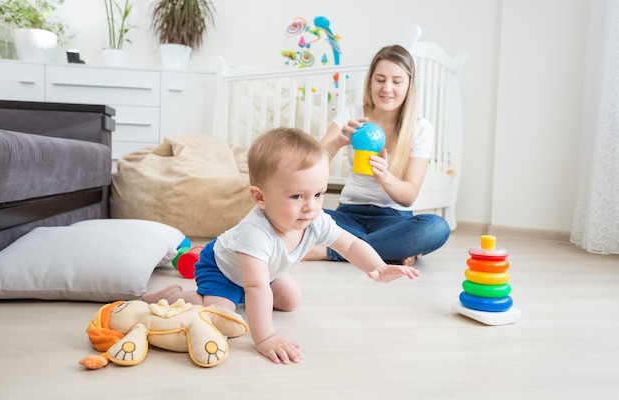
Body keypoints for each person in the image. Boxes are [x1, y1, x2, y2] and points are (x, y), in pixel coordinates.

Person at [142, 127, 420, 365]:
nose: (311, 206)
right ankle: (175, 294)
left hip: (263, 271)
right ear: (260, 197)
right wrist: (266, 338)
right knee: (221, 317)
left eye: (319, 194)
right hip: (223, 269)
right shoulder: (255, 233)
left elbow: (349, 244)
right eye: (297, 196)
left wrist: (378, 266)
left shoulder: (314, 218)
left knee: (289, 301)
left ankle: (239, 297)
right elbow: (256, 287)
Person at [305, 44, 450, 266]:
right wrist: (338, 141)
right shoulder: (352, 114)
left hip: (393, 219)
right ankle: (388, 249)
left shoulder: (420, 129)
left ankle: (329, 251)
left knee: (436, 227)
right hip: (348, 215)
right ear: (370, 81)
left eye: (397, 81)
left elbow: (409, 196)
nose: (387, 88)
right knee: (294, 213)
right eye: (380, 80)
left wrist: (385, 177)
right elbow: (311, 165)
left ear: (409, 85)